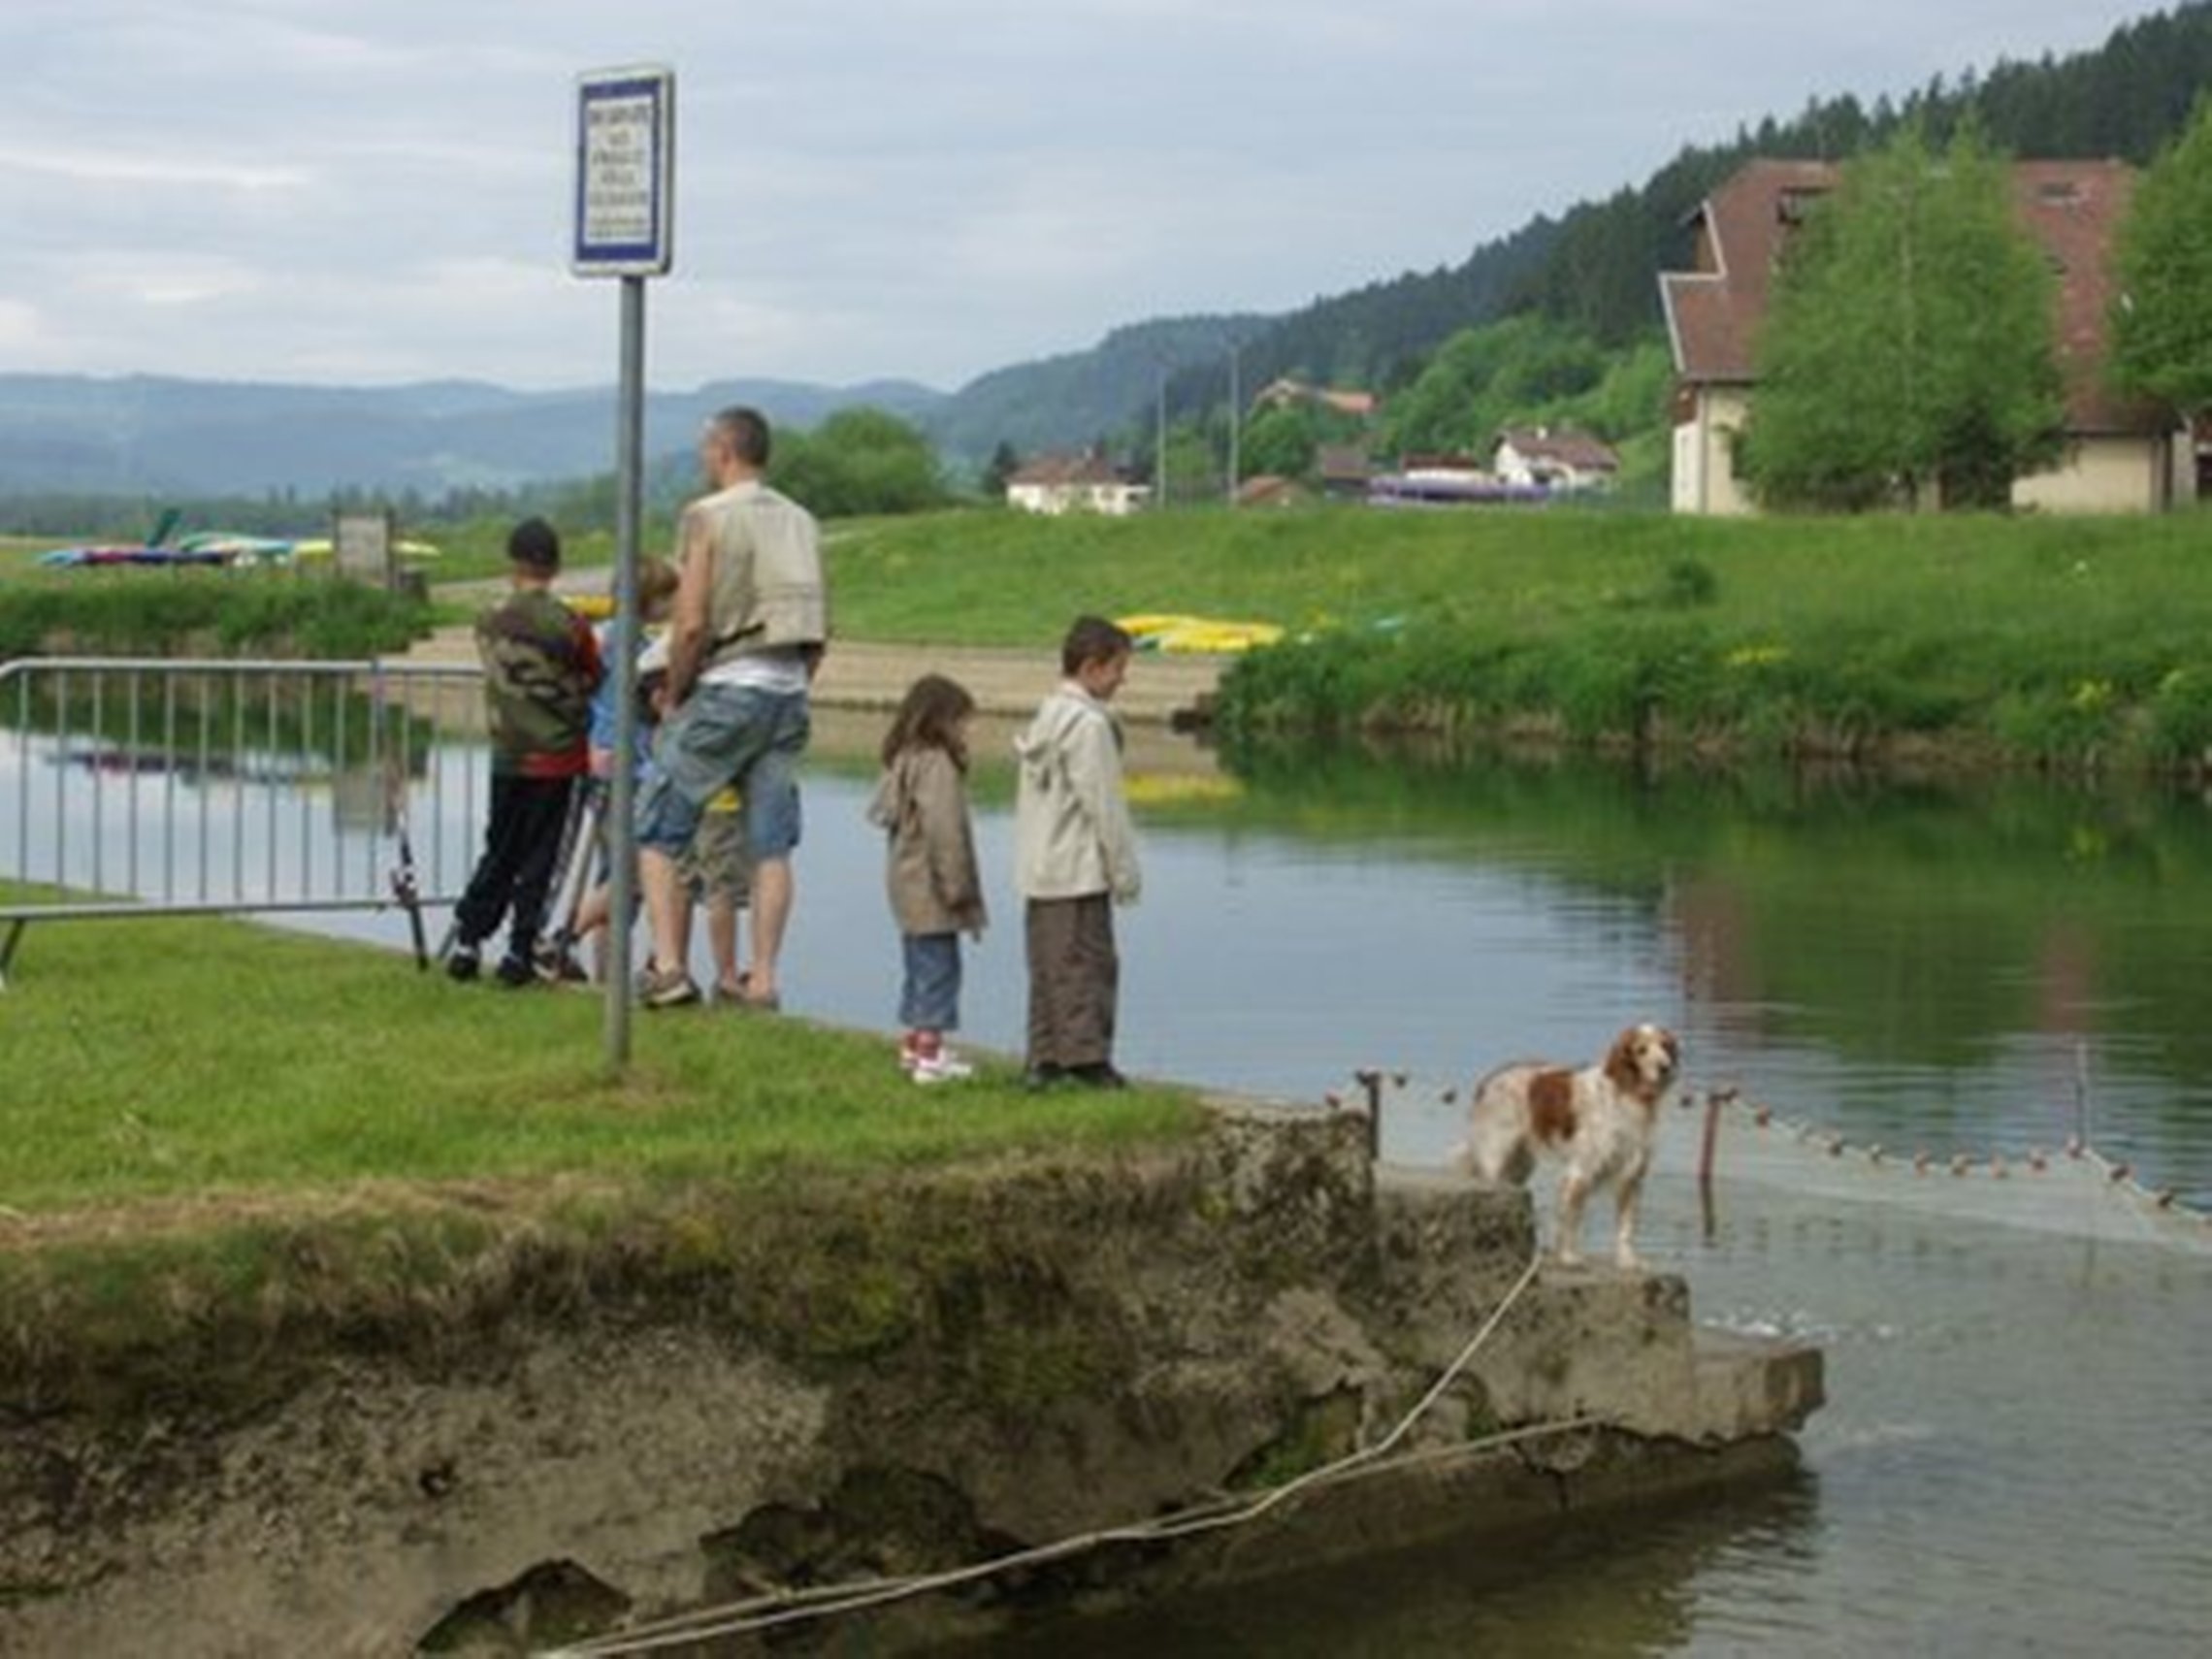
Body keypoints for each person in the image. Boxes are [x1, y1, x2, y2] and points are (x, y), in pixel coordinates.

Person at [634, 406, 827, 1010]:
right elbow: (822, 622)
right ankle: (762, 979)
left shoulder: (707, 517)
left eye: (705, 450)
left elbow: (691, 622)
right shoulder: (802, 521)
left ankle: (669, 967)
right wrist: (798, 679)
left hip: (728, 684)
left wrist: (675, 694)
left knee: (656, 827)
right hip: (788, 686)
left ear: (723, 450)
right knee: (771, 845)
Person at [448, 517, 602, 987]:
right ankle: (519, 951)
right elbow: (592, 674)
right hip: (558, 758)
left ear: (512, 563)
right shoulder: (569, 623)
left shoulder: (487, 619)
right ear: (556, 566)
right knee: (542, 857)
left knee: (499, 850)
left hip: (507, 753)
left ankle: (468, 941)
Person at [1013, 616, 1141, 1089]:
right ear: (1091, 667)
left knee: (1049, 965)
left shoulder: (1047, 715)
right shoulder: (1089, 726)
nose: (1123, 680)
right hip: (1077, 867)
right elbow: (1105, 806)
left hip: (1041, 867)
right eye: (1118, 668)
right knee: (1088, 964)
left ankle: (1045, 1057)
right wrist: (1124, 873)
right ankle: (1087, 1060)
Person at [555, 556, 679, 983]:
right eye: (668, 596)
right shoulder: (635, 648)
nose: (674, 603)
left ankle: (607, 978)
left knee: (613, 872)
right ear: (650, 599)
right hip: (627, 765)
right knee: (634, 876)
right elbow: (644, 704)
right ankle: (560, 940)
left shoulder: (605, 637)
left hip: (605, 759)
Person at [868, 674, 987, 1085]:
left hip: (906, 883)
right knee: (939, 969)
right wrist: (959, 887)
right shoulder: (937, 765)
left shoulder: (903, 758)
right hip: (931, 886)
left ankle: (913, 1043)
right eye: (961, 722)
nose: (966, 731)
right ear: (941, 720)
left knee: (918, 965)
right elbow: (945, 830)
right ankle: (930, 1055)